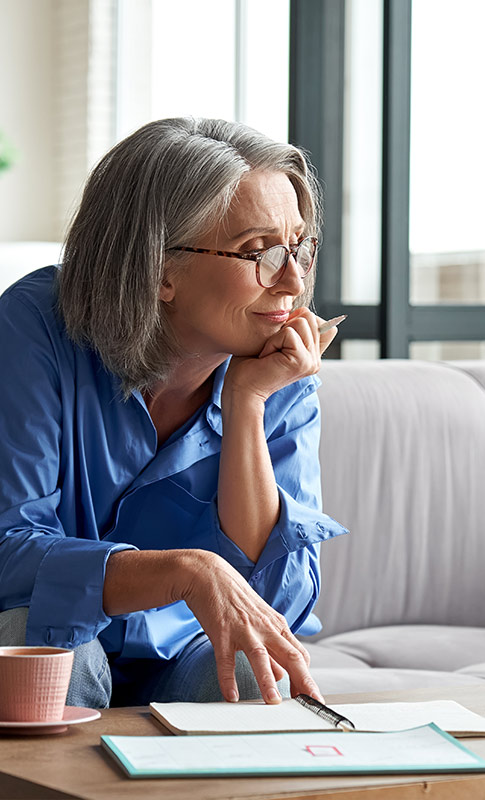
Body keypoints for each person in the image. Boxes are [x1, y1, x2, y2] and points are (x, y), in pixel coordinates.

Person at [0, 117, 348, 709]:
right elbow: (8, 551)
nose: (292, 281)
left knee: (255, 668)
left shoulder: (278, 368)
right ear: (161, 269)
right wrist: (185, 570)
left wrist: (246, 404)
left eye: (300, 247)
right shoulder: (33, 329)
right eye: (257, 252)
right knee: (61, 653)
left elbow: (279, 600)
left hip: (179, 651)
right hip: (45, 632)